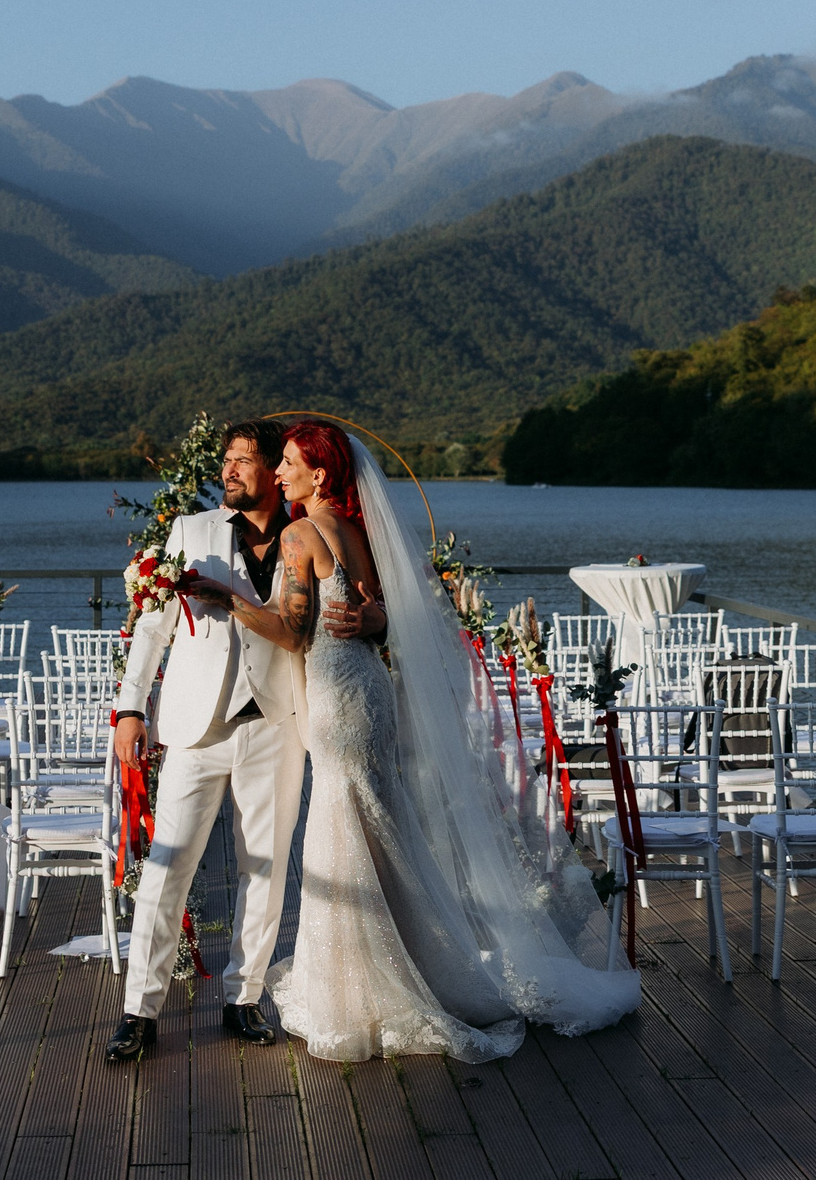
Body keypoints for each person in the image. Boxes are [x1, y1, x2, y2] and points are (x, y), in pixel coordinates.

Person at [186, 421, 640, 1060]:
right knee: (376, 823)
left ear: (320, 475)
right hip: (367, 687)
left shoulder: (297, 533)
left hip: (337, 696)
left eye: (289, 462)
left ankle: (362, 986)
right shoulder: (354, 532)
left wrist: (227, 599)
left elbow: (291, 631)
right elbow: (380, 612)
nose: (279, 471)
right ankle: (410, 963)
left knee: (343, 829)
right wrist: (373, 621)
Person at [102, 420, 382, 1064]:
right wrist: (129, 708)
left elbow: (329, 616)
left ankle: (243, 998)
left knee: (268, 864)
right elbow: (151, 627)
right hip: (196, 727)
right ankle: (138, 1011)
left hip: (277, 720)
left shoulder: (300, 535)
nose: (228, 470)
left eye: (244, 460)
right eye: (224, 459)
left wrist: (373, 616)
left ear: (271, 470)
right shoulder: (190, 534)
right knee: (167, 865)